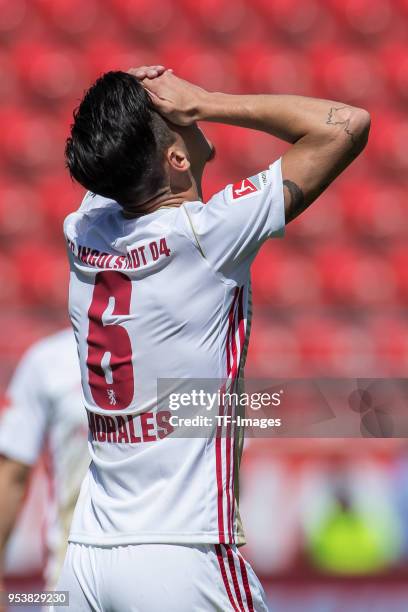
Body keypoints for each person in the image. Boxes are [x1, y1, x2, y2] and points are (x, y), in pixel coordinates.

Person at [57, 65, 370, 611]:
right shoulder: (206, 237)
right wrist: (205, 102)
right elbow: (346, 124)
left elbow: (105, 152)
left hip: (86, 558)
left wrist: (127, 94)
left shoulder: (83, 229)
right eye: (174, 113)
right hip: (180, 554)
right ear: (175, 159)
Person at [0, 329, 88, 601]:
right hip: (69, 575)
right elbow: (13, 472)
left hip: (163, 569)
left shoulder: (187, 352)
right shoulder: (49, 361)